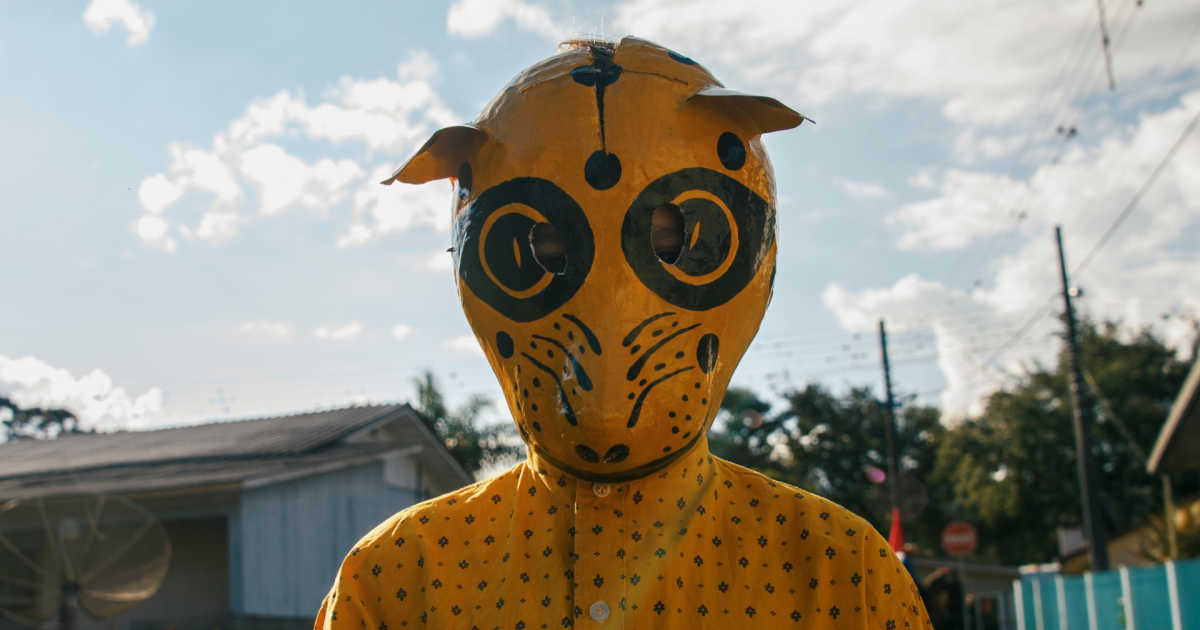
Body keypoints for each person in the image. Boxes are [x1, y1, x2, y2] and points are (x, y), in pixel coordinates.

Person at [315, 36, 933, 630]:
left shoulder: (843, 576)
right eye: (539, 254)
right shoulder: (397, 578)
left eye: (679, 246)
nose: (607, 374)